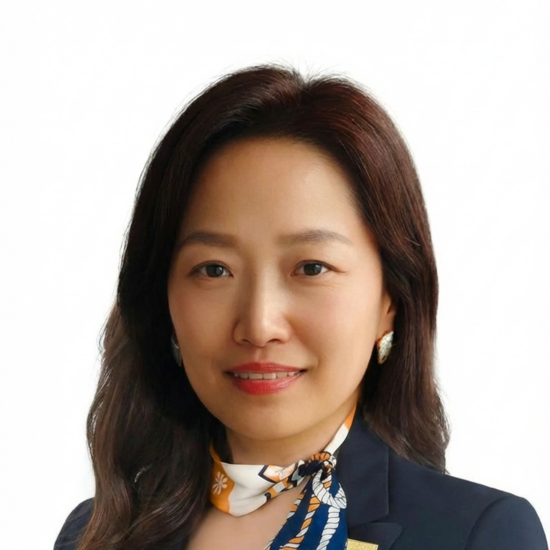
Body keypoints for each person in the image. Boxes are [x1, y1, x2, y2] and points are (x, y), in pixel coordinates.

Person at [54, 65, 548, 550]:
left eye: (311, 267)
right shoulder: (92, 533)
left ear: (391, 300)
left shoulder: (478, 534)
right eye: (214, 269)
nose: (259, 324)